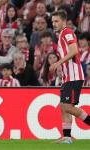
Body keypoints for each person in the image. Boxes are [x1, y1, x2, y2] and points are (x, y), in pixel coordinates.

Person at [50, 10, 90, 144]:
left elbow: (74, 51)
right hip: (68, 77)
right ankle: (67, 137)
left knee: (67, 107)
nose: (54, 24)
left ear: (64, 21)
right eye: (53, 22)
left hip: (74, 76)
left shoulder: (67, 32)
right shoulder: (61, 34)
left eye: (56, 21)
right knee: (63, 106)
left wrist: (58, 63)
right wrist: (61, 68)